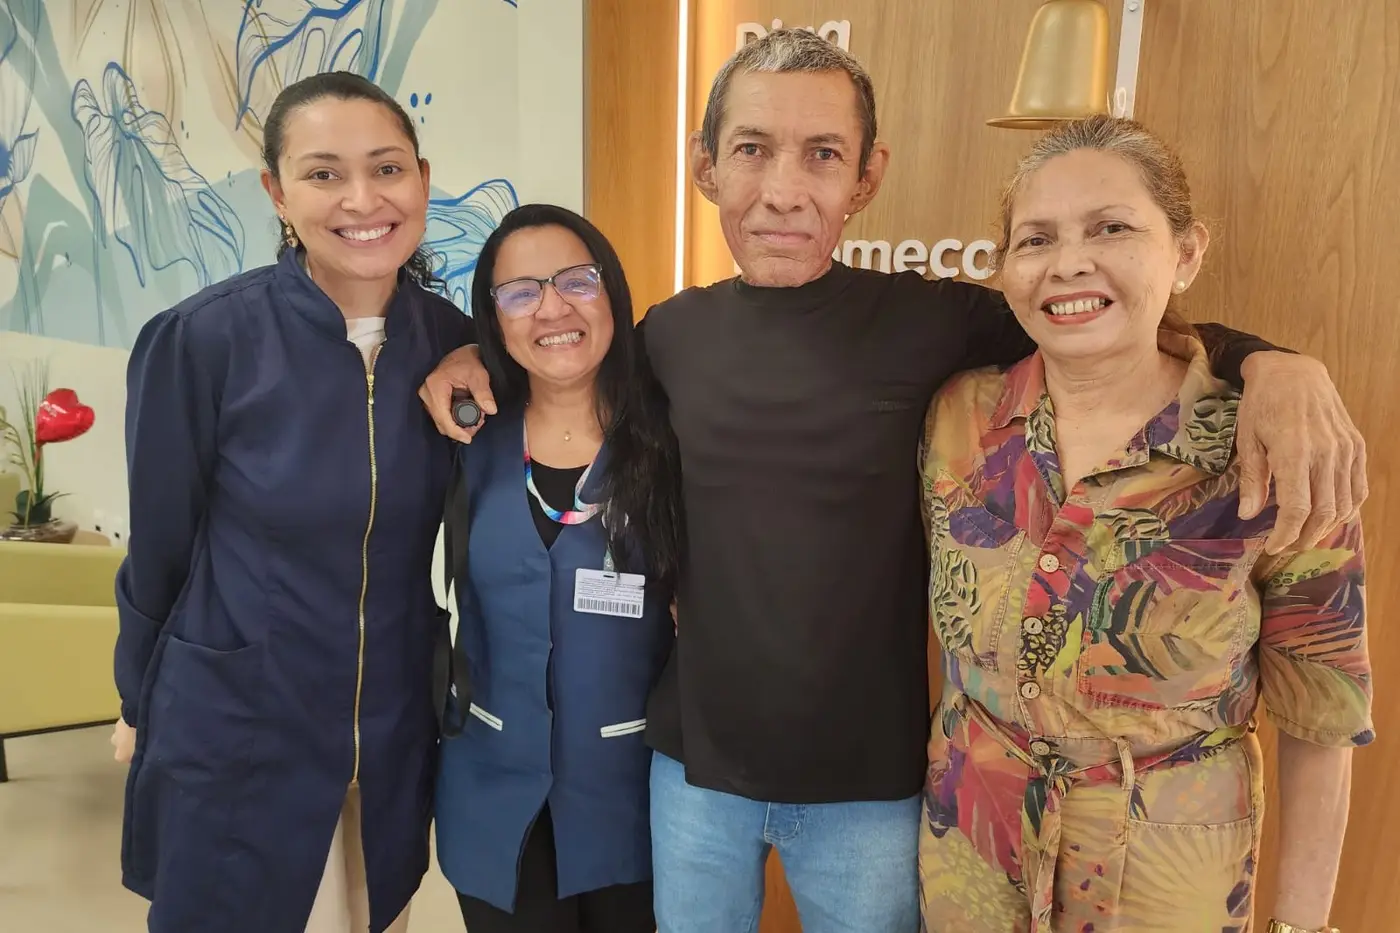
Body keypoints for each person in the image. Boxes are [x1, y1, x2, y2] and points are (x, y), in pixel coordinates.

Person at [418, 30, 1368, 933]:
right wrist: (470, 357)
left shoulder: (934, 327)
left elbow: (1098, 314)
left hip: (874, 791)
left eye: (822, 155)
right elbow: (559, 363)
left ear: (867, 177)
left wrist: (1271, 362)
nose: (783, 190)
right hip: (695, 772)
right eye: (751, 149)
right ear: (705, 166)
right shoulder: (668, 336)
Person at [918, 114, 1371, 933]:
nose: (1069, 262)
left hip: (1166, 881)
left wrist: (1300, 927)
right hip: (970, 861)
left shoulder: (1273, 447)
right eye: (1036, 239)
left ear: (1186, 252)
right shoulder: (958, 416)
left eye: (1111, 228)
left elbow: (1321, 717)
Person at [109, 72, 474, 933]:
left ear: (422, 179)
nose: (362, 200)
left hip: (390, 718)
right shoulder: (205, 339)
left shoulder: (452, 344)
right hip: (241, 714)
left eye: (387, 168)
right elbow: (159, 547)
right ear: (277, 192)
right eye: (323, 174)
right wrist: (137, 698)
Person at [433, 204, 681, 933]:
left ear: (612, 293)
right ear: (494, 318)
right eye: (520, 292)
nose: (552, 309)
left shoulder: (674, 434)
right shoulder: (464, 433)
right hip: (490, 795)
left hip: (635, 800)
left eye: (576, 280)